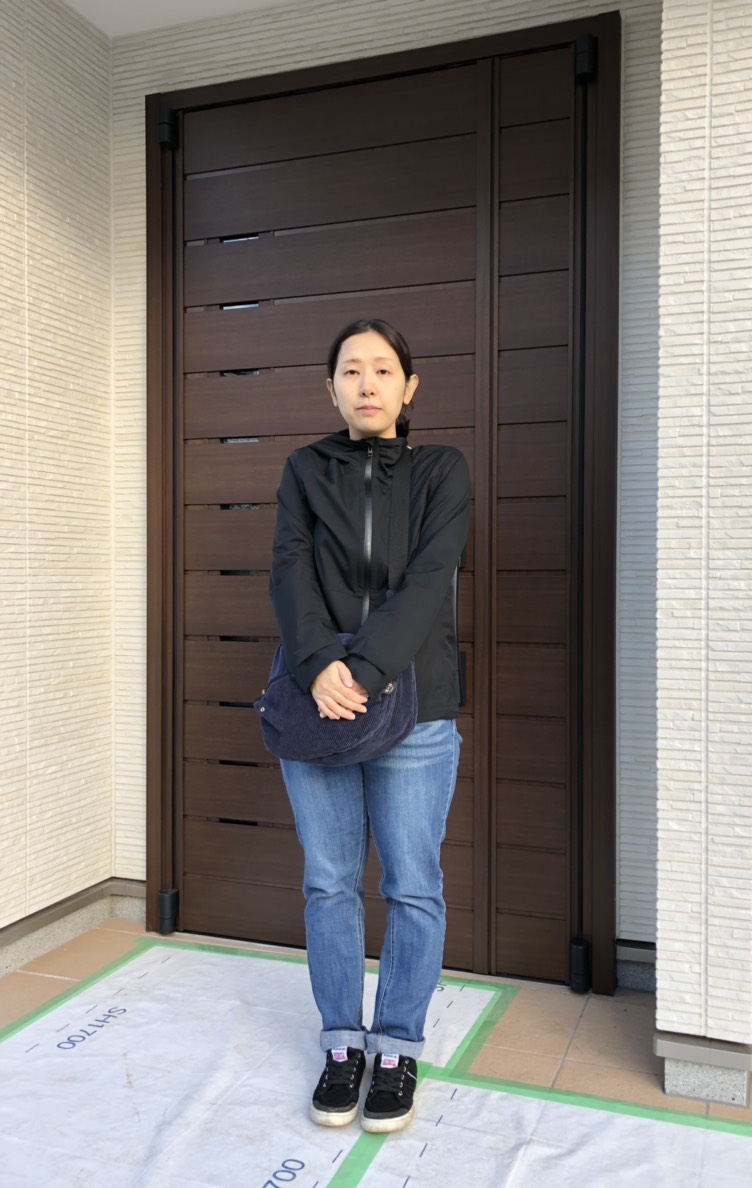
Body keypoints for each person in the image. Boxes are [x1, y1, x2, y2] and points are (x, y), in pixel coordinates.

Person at [269, 318, 471, 1133]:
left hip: (417, 705)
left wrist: (363, 669)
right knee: (328, 881)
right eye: (350, 370)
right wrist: (320, 664)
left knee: (412, 882)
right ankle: (342, 1042)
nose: (366, 383)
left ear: (408, 386)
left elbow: (428, 581)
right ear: (331, 389)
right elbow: (289, 571)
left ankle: (396, 1045)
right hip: (318, 699)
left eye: (382, 369)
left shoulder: (441, 471)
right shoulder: (303, 469)